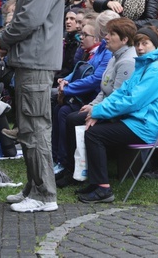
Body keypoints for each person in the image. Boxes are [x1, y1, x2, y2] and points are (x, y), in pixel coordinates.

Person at [0, 0, 65, 213]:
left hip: (36, 62)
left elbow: (27, 20)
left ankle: (45, 196)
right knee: (29, 129)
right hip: (31, 60)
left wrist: (3, 40)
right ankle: (34, 187)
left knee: (35, 129)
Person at [78, 27, 158, 203]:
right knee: (92, 129)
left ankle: (103, 190)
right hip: (139, 119)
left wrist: (98, 111)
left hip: (148, 125)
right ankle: (96, 182)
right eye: (137, 44)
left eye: (145, 43)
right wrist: (98, 108)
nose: (140, 48)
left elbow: (134, 101)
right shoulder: (144, 64)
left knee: (94, 134)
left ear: (156, 45)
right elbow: (123, 92)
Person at [58, 17, 138, 187]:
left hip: (122, 115)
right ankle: (72, 169)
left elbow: (118, 97)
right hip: (107, 107)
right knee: (71, 115)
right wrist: (93, 105)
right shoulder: (114, 57)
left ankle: (79, 173)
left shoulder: (127, 62)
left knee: (75, 120)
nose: (106, 37)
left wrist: (97, 112)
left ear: (124, 40)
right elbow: (104, 89)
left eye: (112, 34)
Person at [52, 11, 117, 176]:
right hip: (91, 97)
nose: (102, 33)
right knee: (59, 109)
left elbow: (97, 80)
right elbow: (81, 69)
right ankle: (59, 159)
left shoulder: (108, 52)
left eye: (101, 29)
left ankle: (68, 163)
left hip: (93, 98)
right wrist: (65, 81)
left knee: (66, 113)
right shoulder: (103, 49)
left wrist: (68, 89)